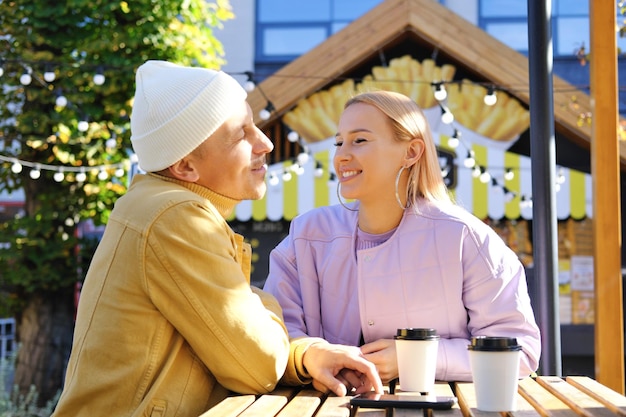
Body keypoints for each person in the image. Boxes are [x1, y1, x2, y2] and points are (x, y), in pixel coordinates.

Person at [52, 61, 381, 417]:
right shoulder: (175, 215)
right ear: (186, 167)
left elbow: (238, 345)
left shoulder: (155, 206)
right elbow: (259, 364)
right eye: (242, 134)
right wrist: (266, 307)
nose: (266, 143)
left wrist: (304, 354)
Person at [264, 90, 541, 386]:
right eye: (339, 142)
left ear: (411, 152)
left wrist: (415, 357)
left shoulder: (465, 237)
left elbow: (517, 350)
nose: (342, 154)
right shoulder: (306, 235)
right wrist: (312, 355)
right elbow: (274, 332)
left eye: (360, 140)